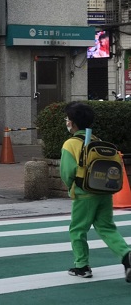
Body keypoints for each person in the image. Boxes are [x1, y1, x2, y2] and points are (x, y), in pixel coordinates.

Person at [60, 101, 131, 280]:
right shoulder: (97, 141)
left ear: (73, 123)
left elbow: (67, 172)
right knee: (107, 227)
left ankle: (82, 266)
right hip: (105, 193)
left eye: (68, 119)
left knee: (78, 229)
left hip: (84, 194)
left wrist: (71, 187)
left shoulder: (70, 144)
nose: (67, 122)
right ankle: (126, 255)